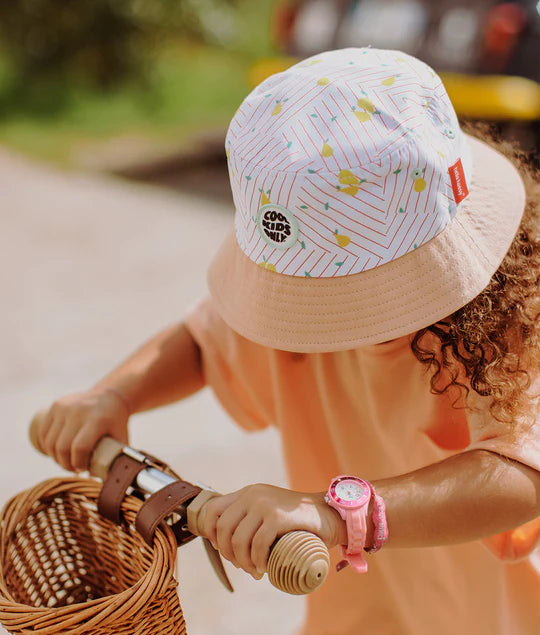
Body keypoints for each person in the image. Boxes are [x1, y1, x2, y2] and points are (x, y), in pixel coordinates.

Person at [33, 48, 539, 634]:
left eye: (351, 291)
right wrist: (113, 396)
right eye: (317, 295)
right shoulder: (298, 328)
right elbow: (206, 340)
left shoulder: (512, 319)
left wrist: (335, 514)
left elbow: (519, 476)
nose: (331, 316)